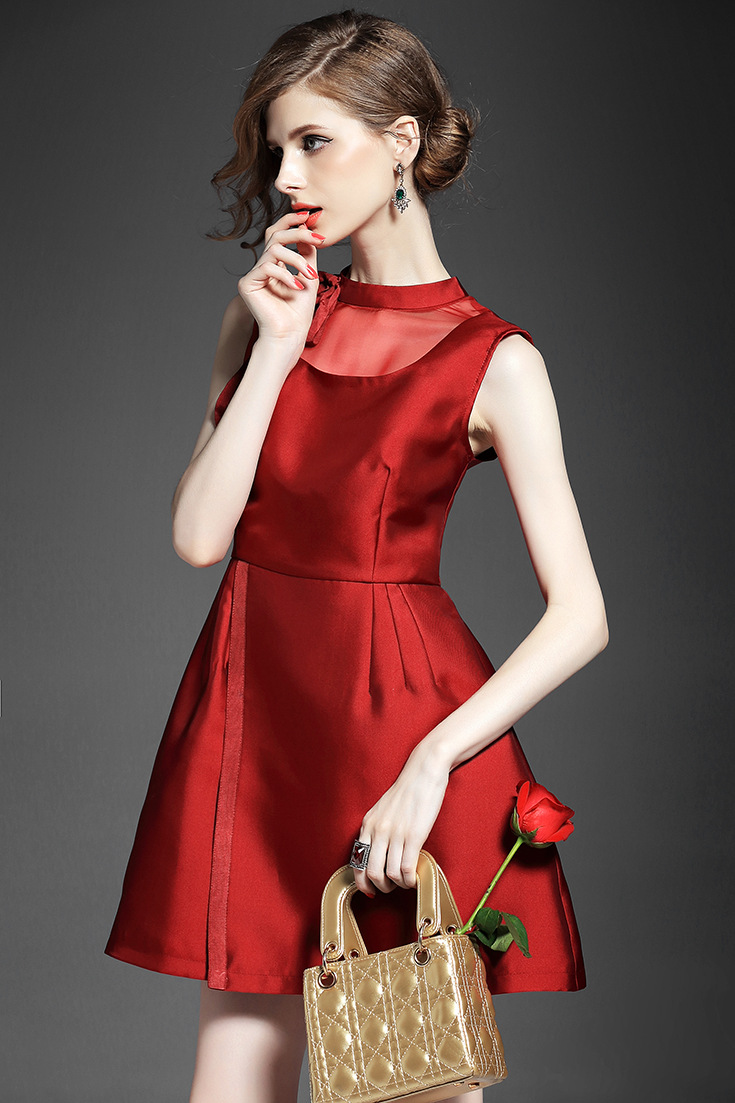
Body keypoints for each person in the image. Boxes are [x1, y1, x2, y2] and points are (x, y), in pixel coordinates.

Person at [104, 9, 608, 1102]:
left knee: (413, 1077)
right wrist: (276, 348)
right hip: (255, 726)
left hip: (402, 739)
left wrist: (432, 762)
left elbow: (582, 614)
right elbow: (199, 538)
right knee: (230, 1078)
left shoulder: (496, 360)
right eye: (275, 150)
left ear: (402, 142)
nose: (286, 178)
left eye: (313, 142)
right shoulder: (267, 318)